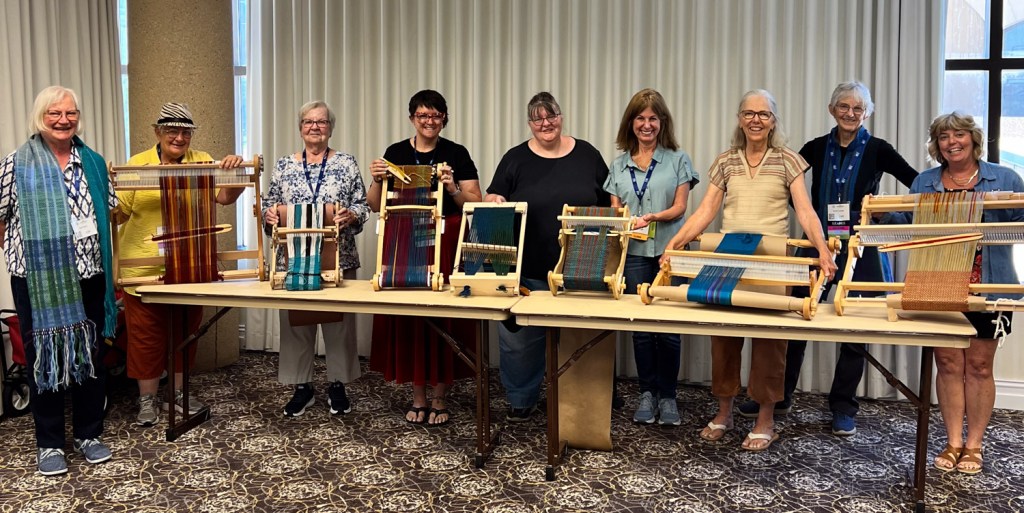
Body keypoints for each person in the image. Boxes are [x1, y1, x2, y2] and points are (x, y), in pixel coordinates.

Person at [736, 81, 918, 436]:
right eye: (844, 107)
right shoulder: (815, 148)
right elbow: (787, 185)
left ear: (867, 113)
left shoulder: (879, 149)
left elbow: (918, 183)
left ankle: (843, 405)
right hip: (815, 244)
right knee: (794, 321)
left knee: (854, 328)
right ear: (832, 110)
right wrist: (811, 215)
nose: (851, 114)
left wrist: (886, 214)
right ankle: (780, 395)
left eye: (858, 109)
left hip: (860, 248)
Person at [663, 89, 837, 450]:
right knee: (724, 339)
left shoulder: (789, 160)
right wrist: (675, 243)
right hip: (727, 258)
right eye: (749, 113)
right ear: (740, 119)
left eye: (764, 114)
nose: (756, 120)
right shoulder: (725, 161)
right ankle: (724, 412)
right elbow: (705, 211)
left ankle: (765, 420)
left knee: (770, 342)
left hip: (773, 261)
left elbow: (804, 211)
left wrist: (823, 251)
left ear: (774, 121)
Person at [0, 86, 118, 475]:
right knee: (41, 358)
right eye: (55, 113)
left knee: (92, 356)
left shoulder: (95, 163)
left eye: (70, 113)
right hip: (39, 283)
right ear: (40, 116)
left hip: (90, 276)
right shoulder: (15, 164)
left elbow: (111, 211)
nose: (64, 120)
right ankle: (49, 444)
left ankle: (89, 434)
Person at [902, 112, 1022, 474]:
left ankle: (975, 444)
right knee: (949, 363)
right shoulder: (924, 183)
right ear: (936, 145)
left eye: (959, 135)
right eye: (943, 137)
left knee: (980, 366)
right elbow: (905, 223)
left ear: (974, 139)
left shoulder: (1004, 177)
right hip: (938, 281)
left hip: (990, 284)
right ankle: (954, 441)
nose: (952, 142)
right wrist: (878, 212)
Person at [116, 102, 245, 427]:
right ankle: (147, 399)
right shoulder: (138, 164)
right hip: (142, 270)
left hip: (190, 267)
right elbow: (120, 213)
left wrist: (235, 174)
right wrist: (102, 192)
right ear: (158, 132)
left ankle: (176, 394)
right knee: (145, 337)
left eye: (185, 132)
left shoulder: (202, 162)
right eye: (172, 130)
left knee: (184, 334)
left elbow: (225, 197)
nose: (179, 137)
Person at [485, 91, 611, 422]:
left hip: (581, 268)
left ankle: (581, 398)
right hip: (527, 268)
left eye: (551, 116)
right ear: (530, 124)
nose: (546, 123)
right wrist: (495, 201)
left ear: (561, 116)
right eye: (538, 119)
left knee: (580, 338)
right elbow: (494, 195)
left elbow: (611, 198)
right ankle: (521, 399)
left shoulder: (587, 154)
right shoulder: (514, 158)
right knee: (520, 343)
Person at [367, 90, 482, 425]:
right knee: (412, 318)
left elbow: (473, 203)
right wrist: (377, 178)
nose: (429, 121)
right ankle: (417, 396)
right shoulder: (395, 153)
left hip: (445, 240)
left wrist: (452, 187)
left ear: (444, 118)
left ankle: (440, 397)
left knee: (444, 317)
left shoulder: (456, 153)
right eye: (423, 116)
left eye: (435, 116)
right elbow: (375, 205)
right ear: (412, 119)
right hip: (405, 242)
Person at [262, 100, 368, 417]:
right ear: (300, 128)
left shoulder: (347, 164)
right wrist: (269, 216)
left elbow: (363, 205)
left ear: (330, 128)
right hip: (293, 259)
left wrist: (352, 215)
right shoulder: (283, 166)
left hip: (338, 257)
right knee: (297, 324)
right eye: (309, 122)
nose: (315, 127)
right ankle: (302, 386)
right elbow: (269, 207)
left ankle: (338, 384)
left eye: (321, 122)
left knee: (339, 325)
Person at [604, 88, 698, 426]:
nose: (647, 125)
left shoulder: (678, 159)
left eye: (653, 118)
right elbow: (617, 212)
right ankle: (647, 392)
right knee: (641, 328)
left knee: (669, 328)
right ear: (631, 123)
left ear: (662, 122)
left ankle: (669, 396)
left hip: (671, 252)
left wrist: (652, 218)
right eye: (640, 118)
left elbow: (681, 207)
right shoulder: (618, 164)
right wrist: (624, 219)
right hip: (634, 254)